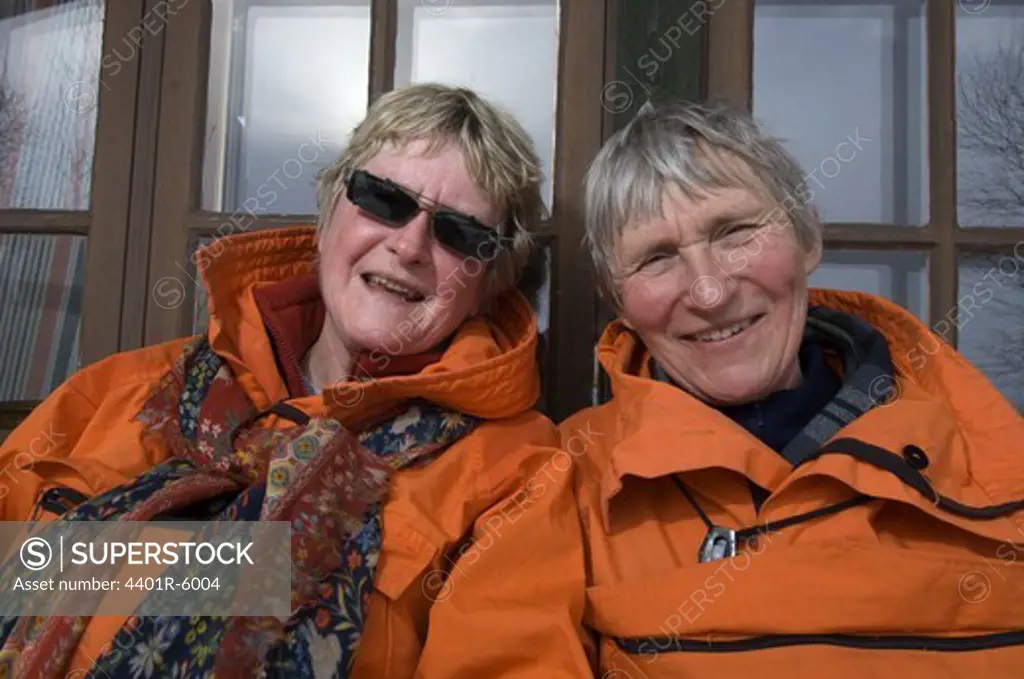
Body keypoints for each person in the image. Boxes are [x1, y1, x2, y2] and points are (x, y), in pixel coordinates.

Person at [0, 83, 590, 678]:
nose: (409, 245)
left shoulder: (513, 475)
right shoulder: (122, 391)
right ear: (329, 209)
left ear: (489, 286)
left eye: (459, 234)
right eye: (383, 199)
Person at [561, 99, 1024, 677]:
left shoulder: (989, 458)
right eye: (657, 258)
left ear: (808, 239)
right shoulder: (567, 483)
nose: (709, 293)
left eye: (735, 232)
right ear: (618, 302)